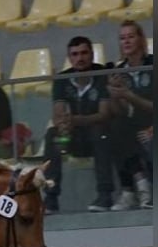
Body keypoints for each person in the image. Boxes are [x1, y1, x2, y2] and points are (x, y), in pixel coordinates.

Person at [42, 36, 115, 214]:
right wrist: (63, 126)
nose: (79, 58)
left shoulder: (102, 75)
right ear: (69, 57)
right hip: (72, 137)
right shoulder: (61, 79)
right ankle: (51, 197)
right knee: (53, 135)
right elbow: (58, 113)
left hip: (96, 136)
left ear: (92, 54)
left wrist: (75, 120)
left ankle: (105, 195)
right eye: (74, 54)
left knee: (100, 131)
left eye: (84, 53)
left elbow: (104, 114)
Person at [108, 19, 154, 211]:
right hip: (134, 126)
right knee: (115, 126)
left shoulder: (153, 64)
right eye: (122, 38)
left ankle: (140, 189)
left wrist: (128, 94)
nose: (126, 41)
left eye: (130, 37)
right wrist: (115, 96)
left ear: (141, 39)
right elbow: (122, 112)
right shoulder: (120, 71)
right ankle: (136, 187)